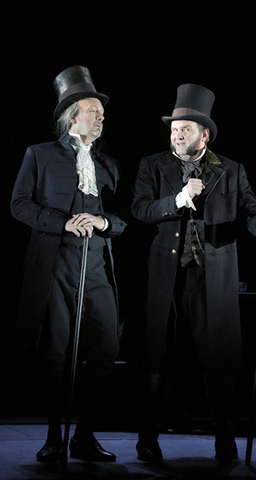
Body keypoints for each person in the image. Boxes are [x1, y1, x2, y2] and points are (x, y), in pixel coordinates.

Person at [131, 84, 256, 463]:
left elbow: (249, 210)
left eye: (184, 129)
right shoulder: (153, 165)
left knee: (219, 360)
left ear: (204, 134)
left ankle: (225, 440)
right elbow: (140, 209)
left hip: (213, 276)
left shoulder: (230, 170)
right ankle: (147, 438)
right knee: (159, 357)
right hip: (168, 275)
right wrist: (178, 199)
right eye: (173, 129)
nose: (176, 135)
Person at [11, 65, 127, 463]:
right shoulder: (39, 155)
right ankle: (54, 437)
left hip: (96, 267)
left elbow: (124, 218)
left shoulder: (108, 166)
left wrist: (104, 222)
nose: (101, 116)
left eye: (101, 112)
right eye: (94, 110)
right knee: (56, 353)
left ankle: (85, 435)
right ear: (72, 115)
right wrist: (61, 222)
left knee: (105, 348)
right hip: (57, 264)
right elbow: (19, 204)